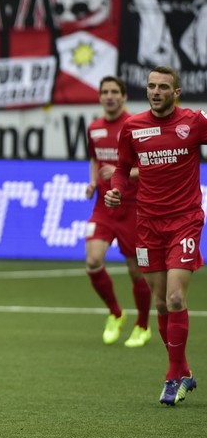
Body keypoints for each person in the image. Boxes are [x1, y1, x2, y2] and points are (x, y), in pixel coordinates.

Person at [105, 65, 202, 406]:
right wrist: (116, 190)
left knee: (176, 299)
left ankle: (171, 377)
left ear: (176, 92)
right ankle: (185, 371)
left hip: (185, 221)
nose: (156, 91)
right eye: (151, 86)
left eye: (163, 86)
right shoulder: (133, 127)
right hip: (146, 224)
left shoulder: (194, 122)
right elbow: (121, 168)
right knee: (161, 302)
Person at [85, 76, 152, 347]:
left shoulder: (136, 126)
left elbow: (148, 167)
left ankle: (143, 325)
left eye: (115, 92)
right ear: (100, 97)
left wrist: (121, 172)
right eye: (105, 92)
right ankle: (115, 313)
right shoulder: (94, 128)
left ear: (124, 97)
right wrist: (92, 181)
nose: (109, 96)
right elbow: (94, 159)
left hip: (132, 207)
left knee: (136, 271)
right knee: (92, 261)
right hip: (103, 206)